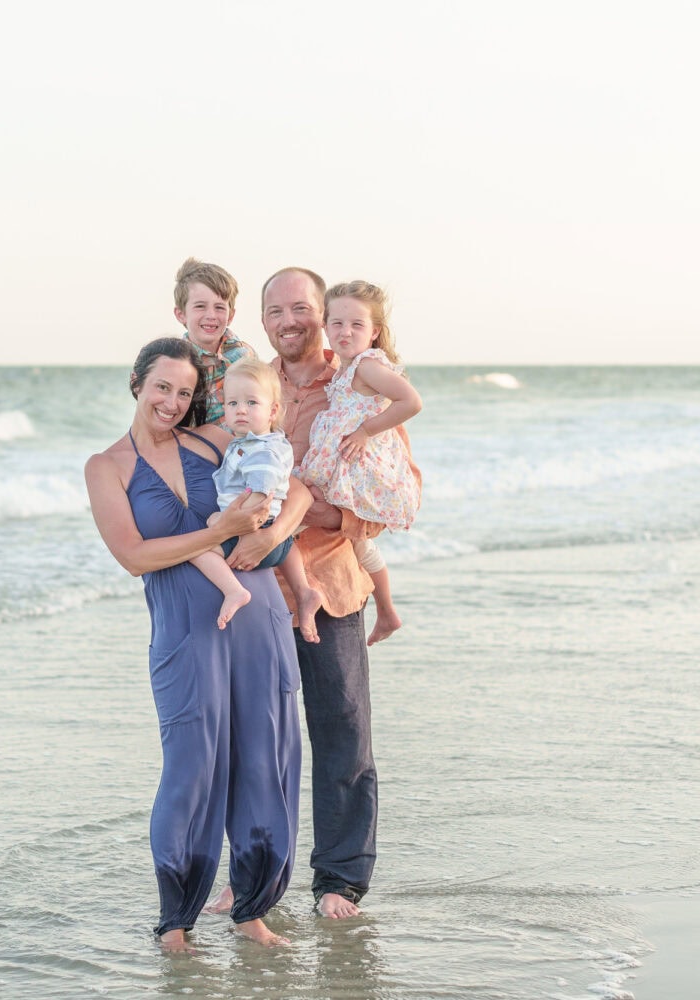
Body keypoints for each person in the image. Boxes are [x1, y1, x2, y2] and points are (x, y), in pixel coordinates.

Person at [83, 337, 307, 950]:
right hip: (185, 631)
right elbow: (133, 556)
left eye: (184, 392)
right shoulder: (107, 467)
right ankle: (175, 920)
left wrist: (267, 534)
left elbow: (301, 490)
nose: (173, 402)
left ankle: (252, 909)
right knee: (192, 766)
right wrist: (228, 526)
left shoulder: (214, 440)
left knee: (266, 757)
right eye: (162, 387)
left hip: (258, 616)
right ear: (136, 383)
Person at [216, 266, 400, 919]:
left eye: (301, 309)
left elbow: (394, 496)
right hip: (257, 592)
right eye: (275, 311)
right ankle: (253, 875)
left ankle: (339, 881)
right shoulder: (247, 385)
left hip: (333, 586)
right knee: (257, 739)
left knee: (343, 735)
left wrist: (320, 516)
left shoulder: (357, 382)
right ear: (262, 319)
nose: (289, 321)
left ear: (322, 314)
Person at [295, 280, 422, 644]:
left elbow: (411, 402)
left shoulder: (367, 366)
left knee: (298, 518)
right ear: (324, 327)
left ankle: (310, 594)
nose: (345, 331)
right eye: (337, 323)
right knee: (358, 545)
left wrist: (367, 430)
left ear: (374, 331)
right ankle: (387, 612)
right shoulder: (344, 368)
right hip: (341, 465)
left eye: (356, 325)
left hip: (357, 468)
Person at [188, 357, 327, 637]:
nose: (241, 410)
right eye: (233, 403)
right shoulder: (268, 442)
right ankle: (303, 591)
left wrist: (223, 522)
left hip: (251, 530)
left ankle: (234, 591)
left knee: (196, 550)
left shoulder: (259, 451)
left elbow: (259, 498)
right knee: (288, 543)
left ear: (273, 410)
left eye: (252, 403)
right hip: (278, 537)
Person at [173, 257, 256, 426]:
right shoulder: (175, 362)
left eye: (219, 307)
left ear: (230, 315)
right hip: (193, 447)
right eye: (200, 306)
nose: (211, 315)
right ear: (181, 314)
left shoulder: (244, 355)